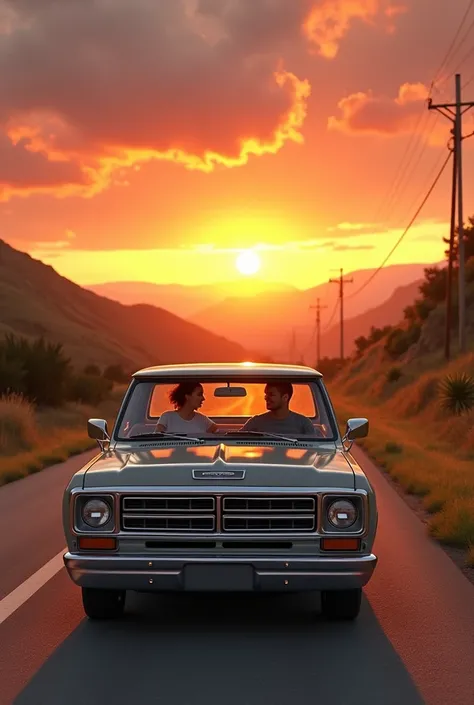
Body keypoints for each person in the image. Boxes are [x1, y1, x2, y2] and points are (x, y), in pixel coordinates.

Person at [240, 382, 315, 435]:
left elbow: (313, 450)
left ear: (285, 397)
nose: (266, 398)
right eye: (266, 394)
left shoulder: (304, 424)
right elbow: (236, 442)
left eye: (271, 395)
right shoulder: (255, 422)